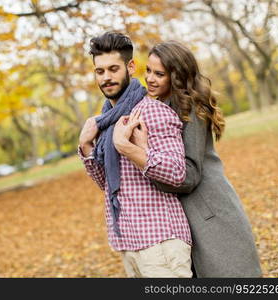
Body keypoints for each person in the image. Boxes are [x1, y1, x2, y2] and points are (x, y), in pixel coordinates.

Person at [126, 40, 262, 277]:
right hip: (187, 214)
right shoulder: (161, 107)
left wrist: (143, 153)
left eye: (159, 74)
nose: (150, 78)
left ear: (177, 76)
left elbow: (188, 175)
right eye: (148, 70)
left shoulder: (189, 110)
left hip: (210, 211)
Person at [78, 31, 192, 277]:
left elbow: (177, 173)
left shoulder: (152, 112)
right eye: (100, 71)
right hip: (128, 241)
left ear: (130, 67)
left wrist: (129, 148)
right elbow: (109, 184)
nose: (106, 78)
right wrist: (87, 147)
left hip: (160, 241)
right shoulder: (106, 121)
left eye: (113, 69)